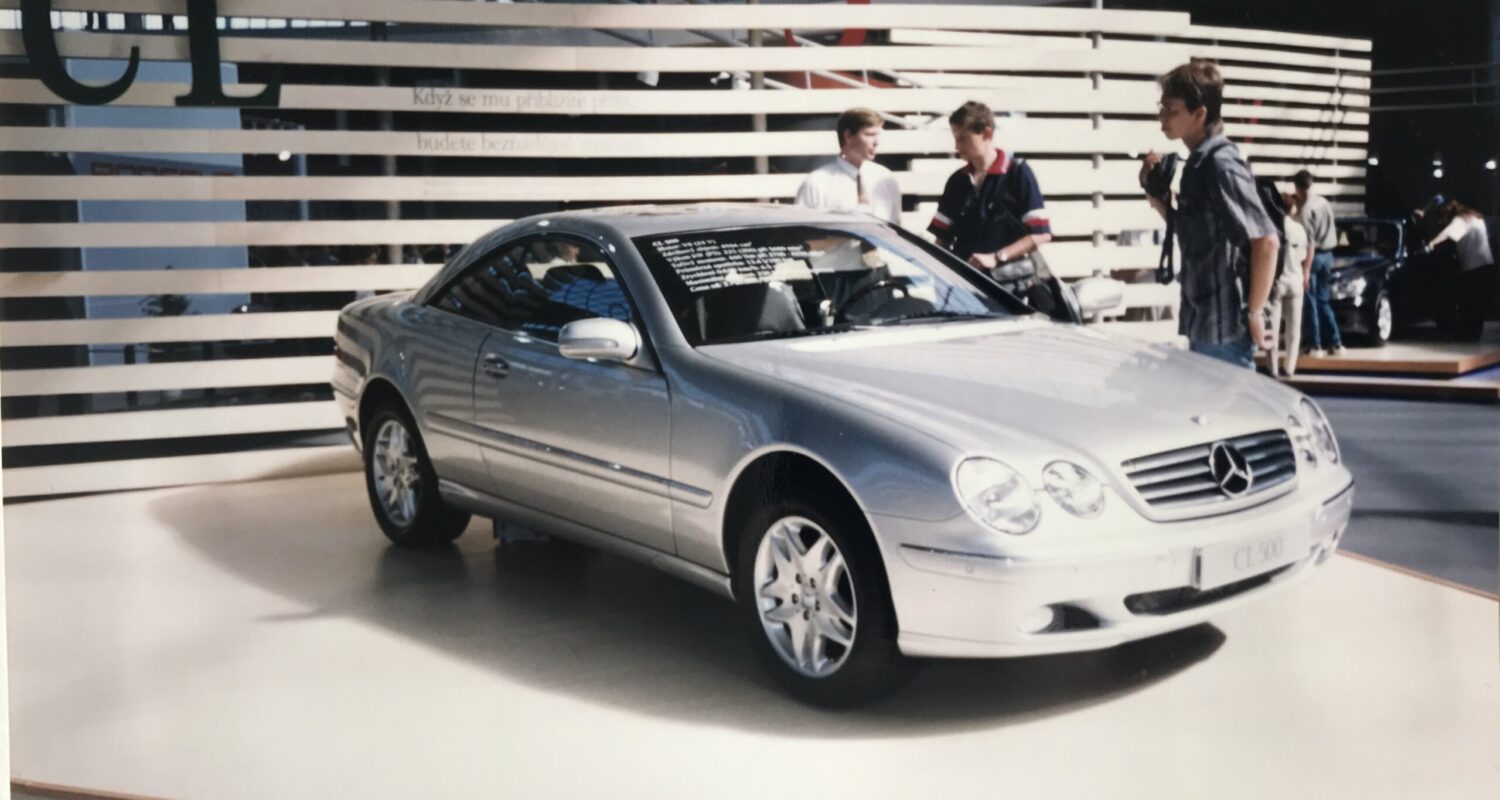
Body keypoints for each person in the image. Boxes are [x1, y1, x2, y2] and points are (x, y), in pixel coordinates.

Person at [1139, 60, 1279, 368]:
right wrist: (1154, 195)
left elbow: (1267, 241)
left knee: (1230, 401)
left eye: (1171, 109)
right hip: (1203, 323)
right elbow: (1194, 232)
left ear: (1199, 114)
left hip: (1225, 332)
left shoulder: (1221, 164)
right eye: (1161, 107)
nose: (1162, 117)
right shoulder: (1198, 164)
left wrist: (1255, 313)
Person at [927, 101, 1051, 297]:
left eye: (963, 139)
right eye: (955, 139)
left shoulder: (1018, 173)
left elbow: (1041, 234)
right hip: (964, 287)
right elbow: (941, 239)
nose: (957, 146)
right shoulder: (957, 181)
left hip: (1008, 289)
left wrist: (997, 257)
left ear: (986, 134)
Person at [795, 107, 902, 224]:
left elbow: (895, 228)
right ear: (848, 136)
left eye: (878, 135)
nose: (876, 142)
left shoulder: (886, 180)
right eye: (870, 134)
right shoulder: (817, 183)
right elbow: (802, 230)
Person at [1427, 200, 1495, 342]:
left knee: (1468, 302)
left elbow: (1447, 234)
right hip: (1486, 264)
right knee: (1478, 302)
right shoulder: (1475, 217)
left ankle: (1467, 335)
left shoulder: (1460, 220)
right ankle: (1475, 333)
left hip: (1472, 268)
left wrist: (1432, 243)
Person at [1293, 169, 1343, 356]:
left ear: (1297, 188)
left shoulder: (1305, 211)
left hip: (1313, 258)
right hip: (1328, 256)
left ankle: (1315, 345)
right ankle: (1336, 342)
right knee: (1323, 301)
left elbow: (1310, 245)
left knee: (1310, 303)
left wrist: (1305, 270)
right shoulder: (1323, 202)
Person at [1266, 191, 1311, 377]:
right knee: (1294, 327)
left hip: (1276, 281)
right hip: (1295, 279)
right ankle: (1289, 366)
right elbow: (1303, 255)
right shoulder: (1299, 229)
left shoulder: (1271, 226)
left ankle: (1273, 367)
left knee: (1273, 327)